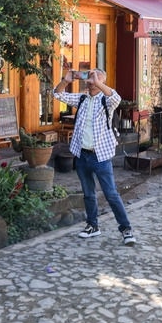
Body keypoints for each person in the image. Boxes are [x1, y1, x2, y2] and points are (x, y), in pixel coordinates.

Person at [52, 68, 136, 246]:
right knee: (88, 194)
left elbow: (116, 98)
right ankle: (92, 225)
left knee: (111, 194)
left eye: (95, 77)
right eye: (89, 76)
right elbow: (57, 94)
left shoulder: (106, 100)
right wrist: (66, 81)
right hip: (82, 155)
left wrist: (97, 82)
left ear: (102, 81)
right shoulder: (82, 98)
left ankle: (126, 229)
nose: (90, 80)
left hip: (101, 156)